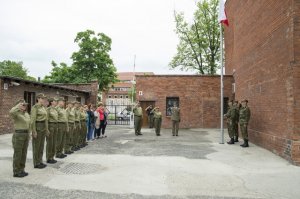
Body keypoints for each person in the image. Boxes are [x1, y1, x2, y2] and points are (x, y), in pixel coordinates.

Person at [9, 99, 31, 177]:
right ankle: (16, 171)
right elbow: (11, 112)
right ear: (18, 105)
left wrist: (29, 134)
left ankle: (22, 169)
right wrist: (18, 106)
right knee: (18, 154)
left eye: (25, 105)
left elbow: (29, 124)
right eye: (22, 104)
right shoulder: (16, 113)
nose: (24, 106)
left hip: (26, 134)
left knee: (24, 154)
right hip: (18, 135)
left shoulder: (26, 114)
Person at [31, 93, 49, 169]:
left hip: (43, 127)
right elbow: (33, 120)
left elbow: (45, 119)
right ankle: (36, 163)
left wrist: (46, 129)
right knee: (36, 146)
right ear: (38, 98)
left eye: (44, 98)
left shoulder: (43, 107)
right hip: (37, 126)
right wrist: (34, 131)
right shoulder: (35, 107)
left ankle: (40, 161)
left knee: (41, 146)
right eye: (42, 98)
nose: (43, 100)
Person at [46, 98, 58, 164]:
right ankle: (48, 157)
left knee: (54, 142)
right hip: (50, 126)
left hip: (55, 126)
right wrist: (47, 129)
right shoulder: (48, 109)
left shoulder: (55, 109)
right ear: (51, 102)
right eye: (55, 101)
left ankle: (52, 157)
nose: (56, 102)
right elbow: (46, 120)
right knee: (50, 143)